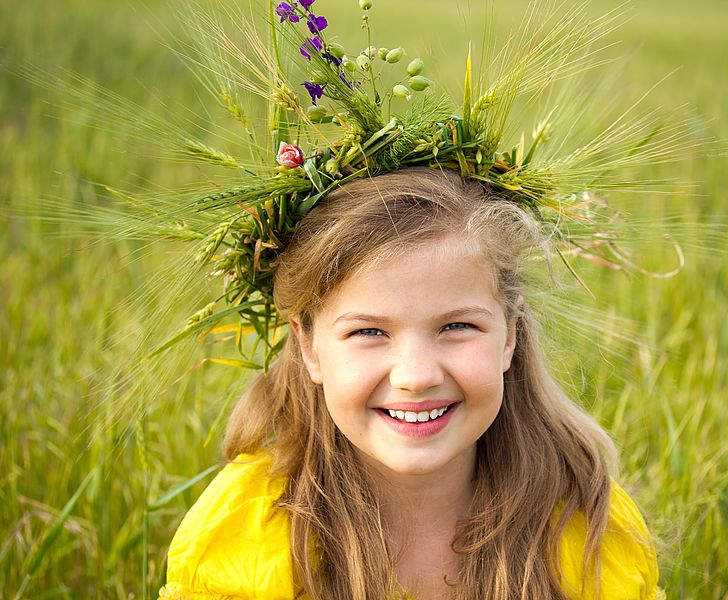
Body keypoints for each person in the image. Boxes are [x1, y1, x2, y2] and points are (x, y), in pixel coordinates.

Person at [158, 168, 663, 599]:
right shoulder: (246, 535)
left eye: (456, 327)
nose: (417, 377)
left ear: (510, 333)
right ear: (310, 346)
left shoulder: (588, 531)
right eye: (369, 332)